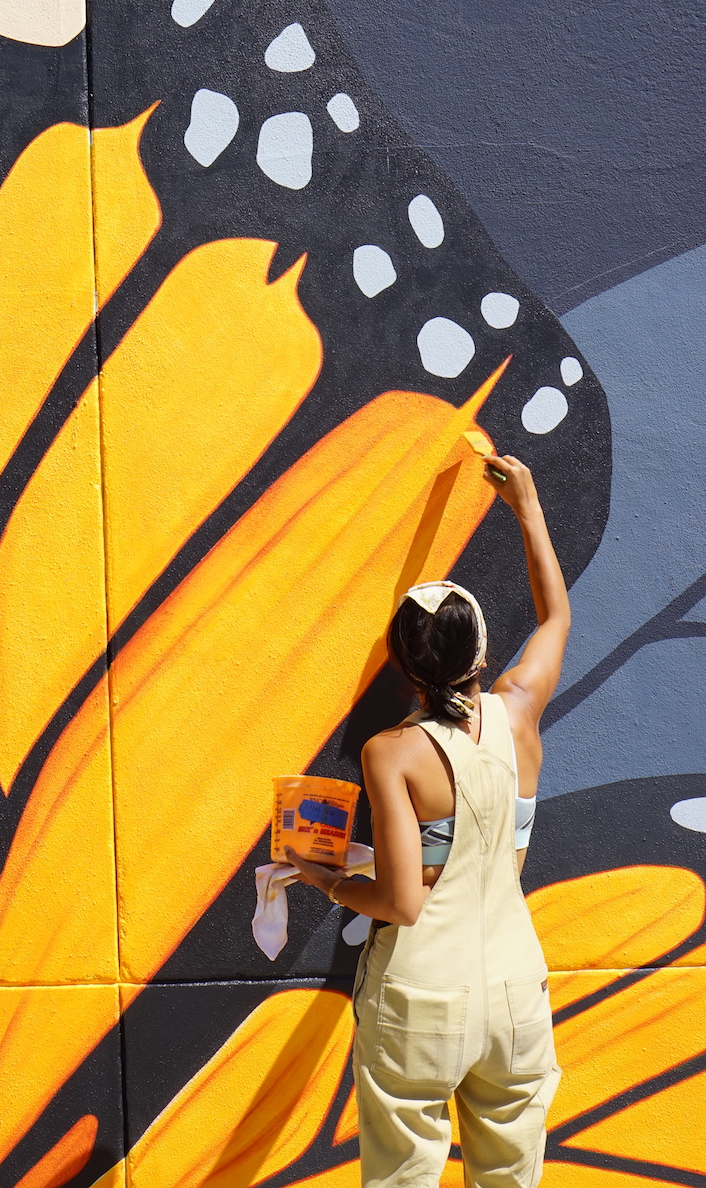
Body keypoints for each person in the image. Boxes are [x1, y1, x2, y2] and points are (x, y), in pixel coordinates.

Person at [286, 452, 569, 1188]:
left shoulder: (393, 752)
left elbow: (405, 901)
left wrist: (328, 881)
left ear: (405, 668)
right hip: (516, 992)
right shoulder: (520, 711)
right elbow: (556, 616)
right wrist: (529, 507)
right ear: (479, 650)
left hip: (421, 1000)